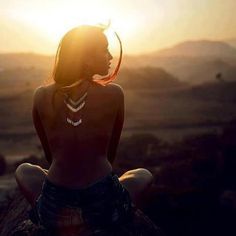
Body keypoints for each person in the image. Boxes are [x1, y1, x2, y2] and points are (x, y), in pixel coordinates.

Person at [15, 25, 156, 235]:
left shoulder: (40, 95)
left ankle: (66, 221)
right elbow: (109, 156)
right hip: (105, 208)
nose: (110, 56)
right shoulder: (115, 94)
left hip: (55, 207)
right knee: (143, 175)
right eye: (104, 49)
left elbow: (50, 157)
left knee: (24, 171)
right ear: (86, 57)